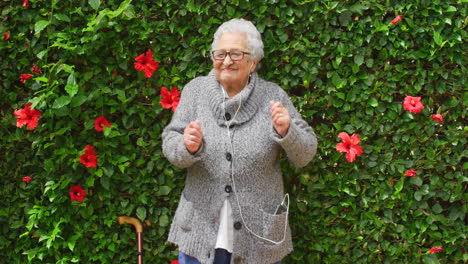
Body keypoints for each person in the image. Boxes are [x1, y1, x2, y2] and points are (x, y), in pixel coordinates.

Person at [162, 18, 317, 264]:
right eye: (220, 53)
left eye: (235, 54)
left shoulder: (273, 96)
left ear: (253, 62)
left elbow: (305, 154)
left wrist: (288, 131)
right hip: (200, 234)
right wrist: (186, 147)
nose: (225, 61)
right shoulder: (195, 92)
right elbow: (171, 142)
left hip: (258, 239)